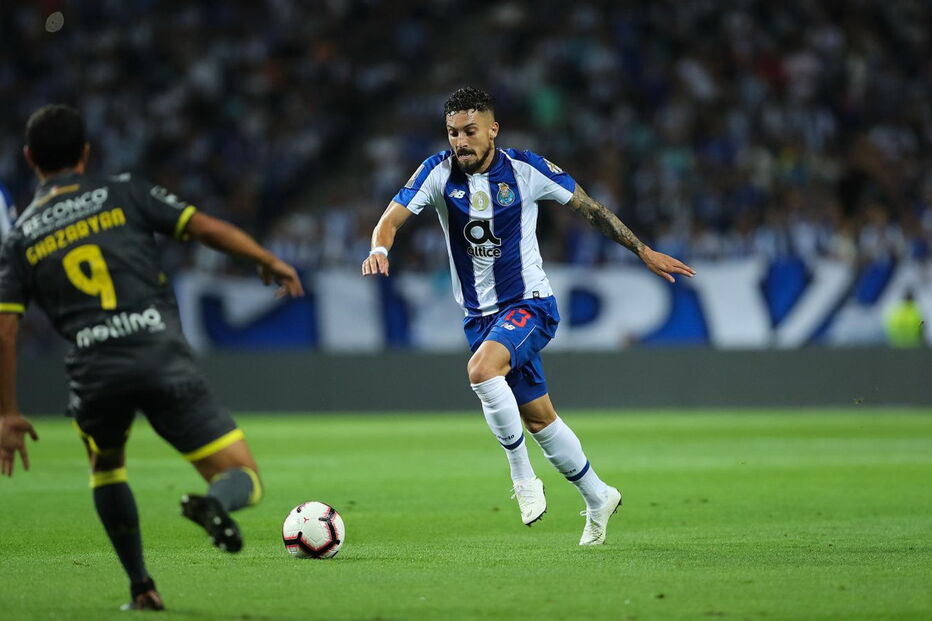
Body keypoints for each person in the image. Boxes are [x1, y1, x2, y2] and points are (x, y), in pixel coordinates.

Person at [0, 105, 304, 610]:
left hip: (94, 372)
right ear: (85, 153)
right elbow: (204, 227)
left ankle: (142, 587)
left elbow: (5, 330)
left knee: (107, 468)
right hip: (159, 354)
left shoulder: (20, 236)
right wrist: (266, 259)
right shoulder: (123, 192)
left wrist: (8, 411)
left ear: (30, 158)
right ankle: (214, 502)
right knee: (243, 478)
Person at [362, 87, 695, 546]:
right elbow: (390, 220)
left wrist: (642, 250)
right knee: (539, 419)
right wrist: (379, 248)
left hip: (529, 305)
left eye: (470, 131)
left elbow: (592, 211)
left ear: (493, 129)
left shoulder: (527, 170)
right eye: (453, 132)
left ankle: (522, 479)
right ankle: (598, 495)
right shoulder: (436, 172)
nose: (461, 141)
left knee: (481, 371)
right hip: (479, 318)